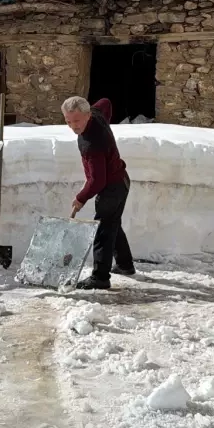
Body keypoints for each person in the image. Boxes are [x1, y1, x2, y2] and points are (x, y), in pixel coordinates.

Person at [62, 96, 135, 290]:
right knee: (113, 223)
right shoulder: (96, 113)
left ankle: (100, 277)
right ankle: (125, 264)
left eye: (76, 121)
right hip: (122, 181)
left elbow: (97, 181)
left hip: (111, 186)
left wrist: (81, 198)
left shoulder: (92, 144)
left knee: (103, 230)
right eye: (68, 121)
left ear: (87, 115)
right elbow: (106, 102)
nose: (73, 126)